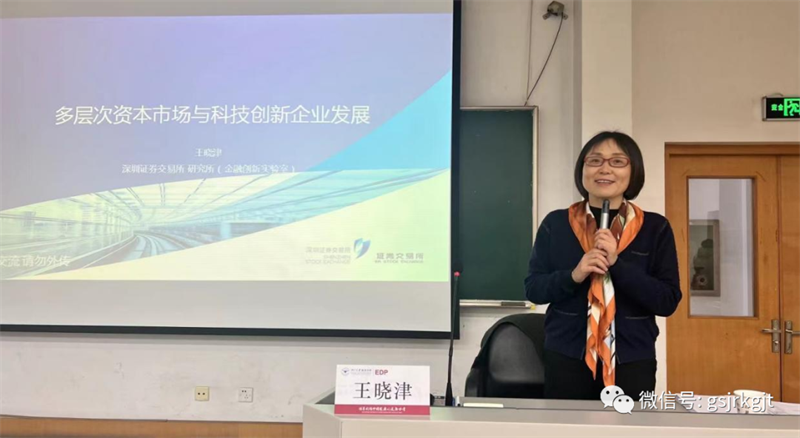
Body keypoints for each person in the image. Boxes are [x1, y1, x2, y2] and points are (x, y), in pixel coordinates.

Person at [524, 131, 681, 401]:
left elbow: (667, 301)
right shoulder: (556, 224)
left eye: (617, 161)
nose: (605, 169)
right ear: (582, 170)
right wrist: (575, 274)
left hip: (632, 359)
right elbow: (534, 289)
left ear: (633, 171)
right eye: (595, 160)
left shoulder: (655, 227)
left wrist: (617, 265)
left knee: (628, 424)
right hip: (567, 357)